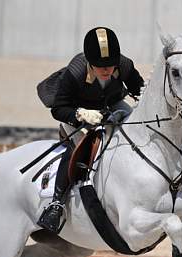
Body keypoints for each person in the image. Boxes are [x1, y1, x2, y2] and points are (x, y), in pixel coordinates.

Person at [37, 26, 144, 233]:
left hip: (111, 104)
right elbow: (58, 109)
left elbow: (139, 89)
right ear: (89, 62)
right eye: (100, 66)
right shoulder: (75, 72)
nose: (106, 71)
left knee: (134, 127)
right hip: (76, 112)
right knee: (81, 145)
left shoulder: (123, 64)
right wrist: (80, 114)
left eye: (110, 66)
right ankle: (56, 204)